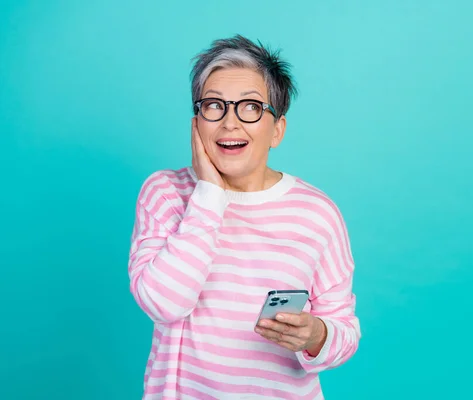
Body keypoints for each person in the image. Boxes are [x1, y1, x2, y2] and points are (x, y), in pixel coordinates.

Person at [127, 34, 360, 399]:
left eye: (250, 107)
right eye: (214, 105)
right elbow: (164, 303)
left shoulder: (317, 214)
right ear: (196, 121)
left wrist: (316, 335)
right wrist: (208, 194)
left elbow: (343, 329)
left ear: (277, 130)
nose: (230, 123)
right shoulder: (166, 193)